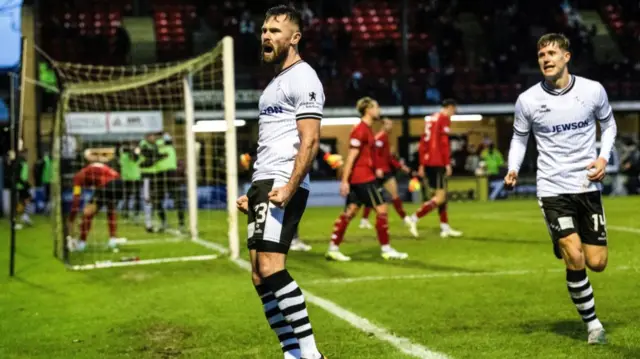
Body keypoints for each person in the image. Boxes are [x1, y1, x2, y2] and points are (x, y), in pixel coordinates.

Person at [504, 33, 617, 345]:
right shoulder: (528, 100)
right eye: (541, 55)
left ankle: (563, 242)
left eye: (552, 52)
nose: (546, 59)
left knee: (597, 262)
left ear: (567, 56)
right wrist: (513, 167)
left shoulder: (592, 91)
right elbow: (519, 138)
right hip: (552, 186)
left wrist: (603, 158)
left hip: (586, 184)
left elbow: (608, 125)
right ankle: (593, 326)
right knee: (573, 251)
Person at [235, 5, 326, 359]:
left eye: (274, 30)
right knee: (258, 274)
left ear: (295, 38)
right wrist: (253, 192)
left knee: (272, 267)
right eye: (264, 30)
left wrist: (288, 187)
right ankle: (292, 351)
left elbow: (310, 140)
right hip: (264, 182)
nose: (266, 37)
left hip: (281, 183)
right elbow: (272, 142)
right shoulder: (276, 82)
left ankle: (311, 354)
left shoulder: (304, 77)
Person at [325, 97, 409, 262]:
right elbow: (351, 157)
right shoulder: (360, 129)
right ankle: (386, 249)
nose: (379, 110)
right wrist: (344, 181)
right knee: (382, 209)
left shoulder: (367, 129)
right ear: (368, 109)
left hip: (361, 177)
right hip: (363, 178)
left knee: (350, 212)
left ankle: (333, 249)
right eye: (376, 107)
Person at [409, 99, 463, 238]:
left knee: (442, 196)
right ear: (450, 107)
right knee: (439, 197)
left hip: (428, 161)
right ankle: (414, 218)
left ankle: (445, 227)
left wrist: (422, 163)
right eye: (453, 111)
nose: (453, 114)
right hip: (437, 161)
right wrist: (447, 163)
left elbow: (423, 142)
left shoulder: (431, 119)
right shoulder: (443, 119)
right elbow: (444, 143)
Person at [358, 118, 418, 237]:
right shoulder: (380, 137)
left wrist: (401, 166)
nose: (391, 126)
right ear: (383, 125)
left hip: (383, 171)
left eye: (391, 124)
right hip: (382, 172)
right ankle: (406, 219)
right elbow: (376, 155)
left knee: (377, 197)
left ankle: (364, 220)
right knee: (392, 196)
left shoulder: (384, 137)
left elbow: (388, 157)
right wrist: (378, 168)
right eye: (389, 124)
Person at [66, 155, 128, 252]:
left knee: (87, 214)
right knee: (111, 211)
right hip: (120, 184)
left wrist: (71, 218)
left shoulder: (78, 177)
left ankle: (81, 244)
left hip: (108, 185)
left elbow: (76, 200)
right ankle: (113, 240)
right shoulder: (95, 167)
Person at [118, 141, 142, 222]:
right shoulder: (127, 156)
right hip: (133, 178)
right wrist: (134, 149)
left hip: (130, 178)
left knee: (129, 197)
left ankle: (128, 213)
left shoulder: (123, 156)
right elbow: (134, 156)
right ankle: (134, 214)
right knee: (133, 197)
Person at [14, 149, 33, 229]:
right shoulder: (20, 162)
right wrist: (24, 183)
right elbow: (17, 175)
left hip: (22, 185)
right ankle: (21, 217)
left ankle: (23, 216)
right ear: (23, 154)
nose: (27, 156)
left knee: (23, 201)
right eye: (26, 154)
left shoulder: (23, 162)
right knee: (26, 199)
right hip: (20, 185)